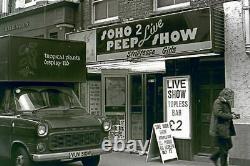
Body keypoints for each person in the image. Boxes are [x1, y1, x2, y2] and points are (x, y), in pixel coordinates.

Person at [209, 88, 239, 166]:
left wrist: (233, 114)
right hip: (220, 129)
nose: (231, 98)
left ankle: (214, 157)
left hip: (226, 129)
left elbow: (226, 112)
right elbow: (218, 113)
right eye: (230, 96)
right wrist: (230, 116)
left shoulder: (226, 102)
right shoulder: (217, 102)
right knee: (224, 150)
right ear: (224, 95)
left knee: (229, 145)